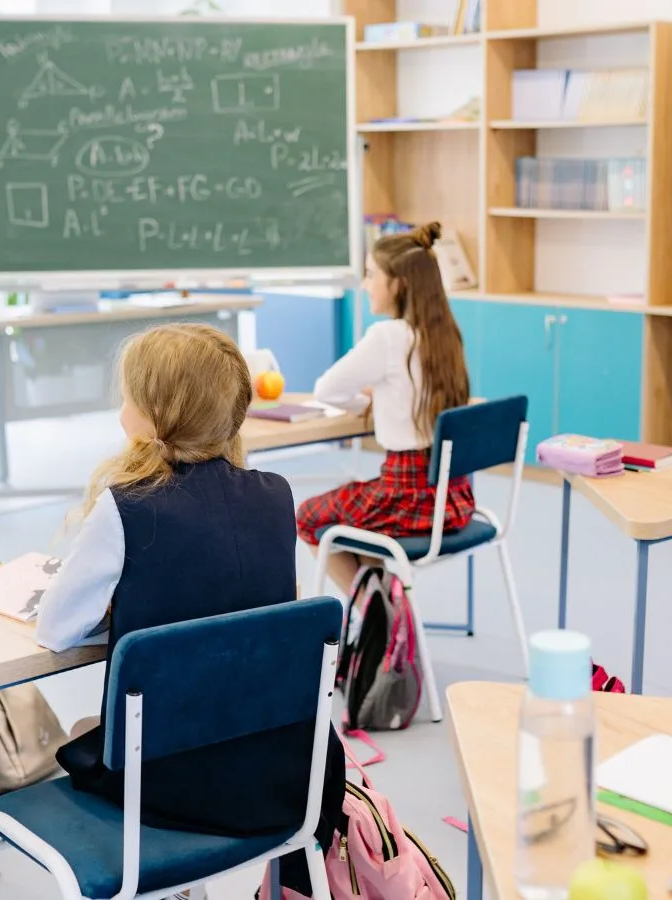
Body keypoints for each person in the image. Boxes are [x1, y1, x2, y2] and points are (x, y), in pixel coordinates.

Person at [34, 323, 343, 870]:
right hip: (281, 774)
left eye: (127, 394)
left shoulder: (125, 506)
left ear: (156, 413)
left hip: (172, 783)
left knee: (87, 733)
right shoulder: (276, 497)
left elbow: (55, 629)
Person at [296, 221, 473, 595]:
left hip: (404, 495)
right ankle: (386, 607)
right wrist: (382, 399)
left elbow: (326, 389)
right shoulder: (445, 335)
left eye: (371, 274)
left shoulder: (389, 337)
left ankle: (379, 619)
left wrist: (364, 403)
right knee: (355, 510)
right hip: (451, 497)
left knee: (308, 517)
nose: (364, 284)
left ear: (400, 284)